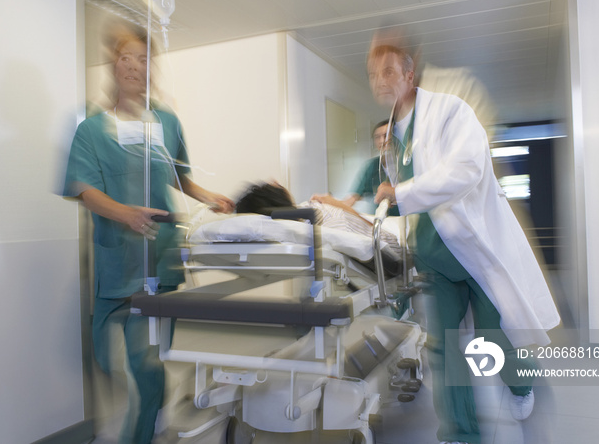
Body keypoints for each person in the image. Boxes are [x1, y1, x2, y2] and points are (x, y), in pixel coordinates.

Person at [368, 43, 560, 444]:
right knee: (445, 350)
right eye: (373, 74)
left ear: (409, 75)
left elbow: (467, 169)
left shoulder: (450, 111)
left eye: (388, 71)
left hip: (476, 253)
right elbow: (400, 200)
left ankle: (521, 385)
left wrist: (401, 193)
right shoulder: (393, 139)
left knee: (493, 338)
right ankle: (461, 434)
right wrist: (388, 206)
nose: (380, 81)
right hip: (435, 259)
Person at [63, 24, 233, 444]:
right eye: (126, 58)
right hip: (114, 261)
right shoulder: (92, 129)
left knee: (146, 361)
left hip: (160, 260)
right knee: (106, 359)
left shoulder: (167, 122)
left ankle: (142, 427)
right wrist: (124, 214)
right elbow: (83, 188)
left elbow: (181, 177)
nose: (135, 67)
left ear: (151, 68)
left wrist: (210, 196)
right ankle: (148, 405)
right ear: (113, 65)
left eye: (143, 59)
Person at [235, 182, 401, 253]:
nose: (277, 182)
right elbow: (386, 241)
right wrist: (335, 203)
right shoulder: (330, 220)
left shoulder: (306, 211)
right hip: (391, 245)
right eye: (274, 186)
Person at [343, 120, 400, 216]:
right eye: (377, 137)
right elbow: (351, 199)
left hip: (407, 223)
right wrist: (329, 204)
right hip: (382, 223)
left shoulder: (406, 164)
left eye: (386, 135)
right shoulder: (371, 167)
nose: (382, 141)